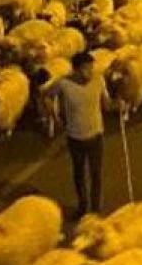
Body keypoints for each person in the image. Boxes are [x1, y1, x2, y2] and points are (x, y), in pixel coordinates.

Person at [43, 51, 107, 216]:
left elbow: (106, 103)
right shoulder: (63, 84)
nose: (90, 72)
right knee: (79, 173)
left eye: (92, 68)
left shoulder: (98, 80)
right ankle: (82, 205)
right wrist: (54, 114)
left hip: (96, 134)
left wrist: (119, 104)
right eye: (86, 68)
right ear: (76, 70)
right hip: (75, 136)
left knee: (96, 173)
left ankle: (95, 208)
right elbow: (47, 96)